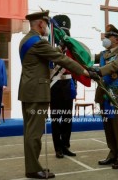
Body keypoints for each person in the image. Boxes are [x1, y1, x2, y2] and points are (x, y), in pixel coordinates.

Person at [18, 10, 96, 179]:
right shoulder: (38, 42)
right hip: (37, 93)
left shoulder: (25, 40)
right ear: (41, 24)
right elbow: (63, 60)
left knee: (29, 132)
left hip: (27, 91)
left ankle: (32, 166)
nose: (47, 27)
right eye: (46, 24)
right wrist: (86, 72)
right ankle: (33, 169)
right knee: (35, 133)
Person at [89, 24, 118, 169]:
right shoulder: (103, 54)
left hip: (116, 96)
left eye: (108, 36)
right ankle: (113, 154)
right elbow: (87, 57)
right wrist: (72, 46)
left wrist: (98, 71)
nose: (105, 38)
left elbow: (113, 67)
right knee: (108, 126)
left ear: (117, 39)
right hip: (104, 95)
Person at [50, 14, 77, 159]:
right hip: (55, 86)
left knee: (67, 118)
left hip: (68, 85)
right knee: (56, 119)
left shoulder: (71, 47)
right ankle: (57, 147)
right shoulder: (51, 45)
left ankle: (65, 145)